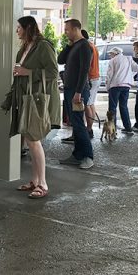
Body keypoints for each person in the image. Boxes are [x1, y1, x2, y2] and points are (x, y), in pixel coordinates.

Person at [6, 16, 60, 199]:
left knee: (33, 140)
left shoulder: (44, 46)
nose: (17, 31)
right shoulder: (25, 48)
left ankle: (42, 183)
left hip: (37, 100)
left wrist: (27, 72)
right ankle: (35, 181)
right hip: (26, 98)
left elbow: (53, 72)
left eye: (19, 27)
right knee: (31, 140)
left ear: (28, 28)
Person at [57, 19, 94, 169]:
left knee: (78, 124)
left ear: (76, 29)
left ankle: (87, 156)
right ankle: (77, 155)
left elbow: (84, 70)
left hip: (77, 90)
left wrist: (78, 92)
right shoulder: (74, 46)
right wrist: (68, 45)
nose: (65, 32)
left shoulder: (85, 46)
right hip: (69, 88)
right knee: (75, 123)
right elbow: (60, 60)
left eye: (67, 30)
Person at [105, 47, 138, 134]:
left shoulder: (113, 61)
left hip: (115, 85)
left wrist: (107, 87)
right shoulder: (128, 58)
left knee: (112, 108)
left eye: (111, 54)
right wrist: (130, 75)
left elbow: (109, 75)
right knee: (123, 106)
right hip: (126, 85)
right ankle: (128, 128)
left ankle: (112, 129)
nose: (110, 55)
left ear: (115, 53)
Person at [81, 30, 100, 139]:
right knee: (91, 103)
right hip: (95, 77)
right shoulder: (93, 45)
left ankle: (89, 129)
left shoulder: (87, 46)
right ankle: (90, 128)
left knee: (87, 104)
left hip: (90, 78)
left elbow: (87, 64)